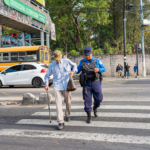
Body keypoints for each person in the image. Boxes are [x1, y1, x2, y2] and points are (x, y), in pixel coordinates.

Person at [44, 50, 77, 130]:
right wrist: (46, 84)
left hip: (66, 86)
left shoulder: (66, 61)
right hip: (57, 87)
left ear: (61, 56)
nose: (58, 60)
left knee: (68, 102)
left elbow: (75, 65)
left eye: (59, 58)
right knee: (58, 105)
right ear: (54, 58)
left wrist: (73, 71)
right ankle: (60, 121)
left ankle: (67, 114)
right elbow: (46, 76)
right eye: (56, 59)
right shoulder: (52, 65)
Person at [76, 46, 105, 123]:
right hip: (86, 84)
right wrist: (72, 69)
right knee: (87, 100)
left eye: (89, 55)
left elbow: (104, 68)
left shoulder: (97, 61)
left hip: (96, 82)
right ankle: (89, 116)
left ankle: (95, 107)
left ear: (92, 53)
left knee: (99, 99)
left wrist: (98, 69)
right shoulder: (82, 62)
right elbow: (77, 70)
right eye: (86, 55)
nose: (87, 56)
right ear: (84, 54)